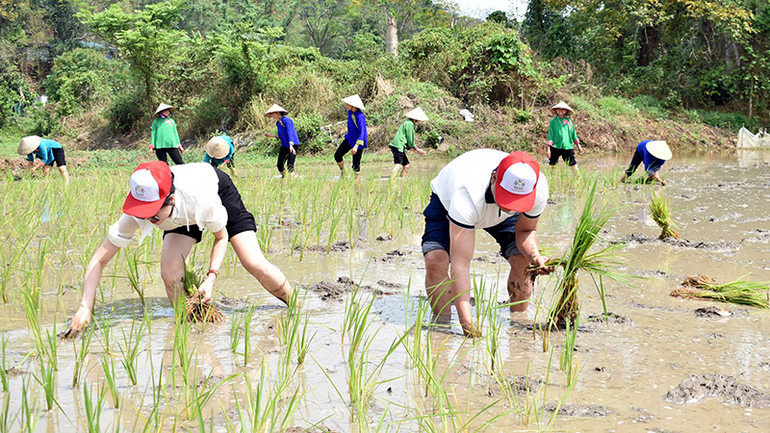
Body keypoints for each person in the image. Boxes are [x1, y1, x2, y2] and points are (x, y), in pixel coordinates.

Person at [63, 161, 293, 337]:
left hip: (217, 190)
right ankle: (188, 331)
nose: (149, 219)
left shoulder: (200, 199)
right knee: (170, 272)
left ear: (170, 199)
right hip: (178, 214)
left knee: (251, 261)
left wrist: (210, 278)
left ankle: (296, 306)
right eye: (143, 213)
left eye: (154, 213)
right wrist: (85, 307)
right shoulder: (138, 212)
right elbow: (99, 260)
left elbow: (221, 237)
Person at [422, 150, 554, 337]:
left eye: (518, 201)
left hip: (492, 210)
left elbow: (526, 230)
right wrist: (467, 324)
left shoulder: (537, 187)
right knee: (436, 259)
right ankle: (442, 325)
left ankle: (518, 322)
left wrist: (535, 256)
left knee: (522, 260)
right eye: (507, 198)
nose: (510, 207)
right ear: (494, 178)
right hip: (448, 202)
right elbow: (460, 265)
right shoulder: (466, 193)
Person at [334, 94, 367, 180]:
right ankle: (344, 173)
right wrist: (344, 129)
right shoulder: (350, 112)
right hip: (349, 138)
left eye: (348, 104)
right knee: (337, 155)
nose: (346, 105)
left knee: (356, 164)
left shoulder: (360, 116)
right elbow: (351, 124)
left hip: (358, 142)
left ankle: (357, 182)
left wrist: (356, 146)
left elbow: (362, 131)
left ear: (353, 106)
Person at [389, 107, 428, 178]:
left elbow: (406, 138)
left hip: (399, 145)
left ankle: (402, 181)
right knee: (399, 165)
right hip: (398, 146)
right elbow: (410, 138)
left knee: (406, 165)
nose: (420, 121)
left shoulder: (408, 122)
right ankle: (391, 180)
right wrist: (417, 149)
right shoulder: (410, 124)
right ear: (416, 118)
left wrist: (411, 146)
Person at [545, 101, 583, 173]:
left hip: (567, 146)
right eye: (559, 109)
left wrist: (579, 146)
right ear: (556, 110)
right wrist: (548, 149)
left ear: (566, 111)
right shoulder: (553, 122)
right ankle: (553, 179)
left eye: (563, 109)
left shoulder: (569, 121)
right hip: (555, 146)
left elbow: (573, 133)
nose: (561, 111)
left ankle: (578, 179)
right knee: (553, 164)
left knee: (572, 163)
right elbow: (550, 135)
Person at [264, 104, 299, 178]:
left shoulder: (287, 120)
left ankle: (291, 182)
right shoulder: (278, 123)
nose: (272, 116)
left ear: (278, 112)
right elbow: (280, 135)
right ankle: (284, 177)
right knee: (279, 164)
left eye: (273, 114)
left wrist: (291, 145)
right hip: (284, 145)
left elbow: (290, 132)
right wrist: (271, 136)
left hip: (292, 144)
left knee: (290, 164)